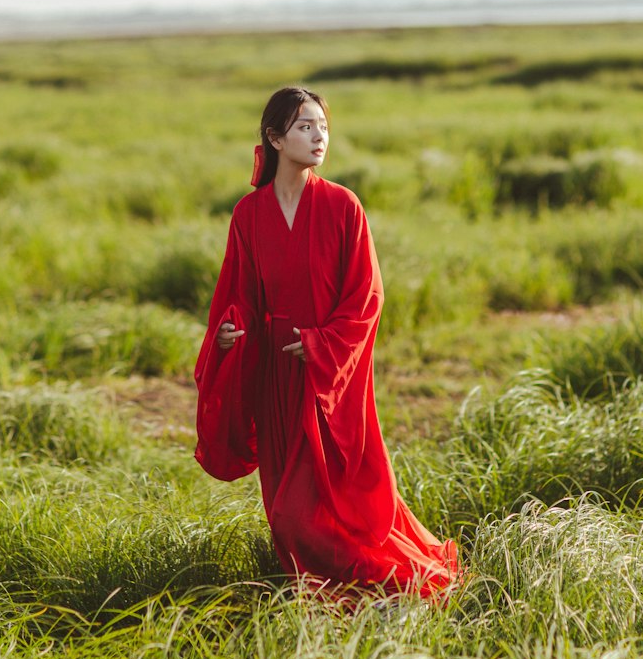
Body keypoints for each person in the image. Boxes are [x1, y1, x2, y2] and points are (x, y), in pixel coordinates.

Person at [194, 85, 460, 600]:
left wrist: (319, 345)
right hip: (275, 374)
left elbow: (367, 296)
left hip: (328, 375)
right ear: (274, 138)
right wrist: (230, 331)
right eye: (304, 127)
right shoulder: (248, 215)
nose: (319, 137)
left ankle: (366, 585)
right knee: (288, 511)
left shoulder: (343, 206)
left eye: (323, 126)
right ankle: (316, 589)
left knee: (336, 499)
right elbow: (240, 295)